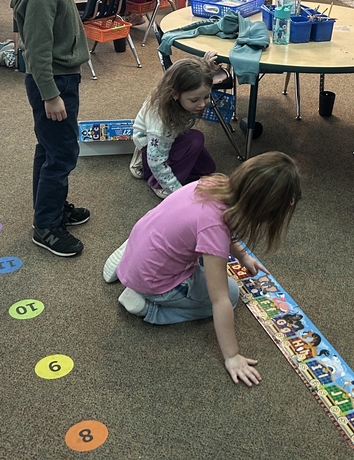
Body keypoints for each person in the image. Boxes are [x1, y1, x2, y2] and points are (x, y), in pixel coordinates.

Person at [102, 151, 302, 387]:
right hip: (154, 280)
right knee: (232, 295)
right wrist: (232, 356)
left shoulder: (214, 183)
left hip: (144, 241)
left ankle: (132, 258)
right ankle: (148, 308)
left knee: (199, 253)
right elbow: (220, 299)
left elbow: (225, 227)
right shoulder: (214, 227)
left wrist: (243, 256)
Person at [10, 0, 103, 258]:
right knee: (62, 154)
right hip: (54, 84)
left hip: (60, 80)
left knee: (49, 149)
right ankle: (46, 225)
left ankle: (50, 207)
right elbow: (36, 52)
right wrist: (50, 95)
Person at [129, 57, 217, 200]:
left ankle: (161, 166)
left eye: (206, 97)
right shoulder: (161, 125)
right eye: (194, 100)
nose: (202, 104)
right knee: (195, 139)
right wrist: (176, 191)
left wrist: (208, 70)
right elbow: (156, 162)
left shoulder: (184, 92)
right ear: (175, 94)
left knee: (207, 168)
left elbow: (196, 77)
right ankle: (156, 182)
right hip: (152, 147)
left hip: (172, 136)